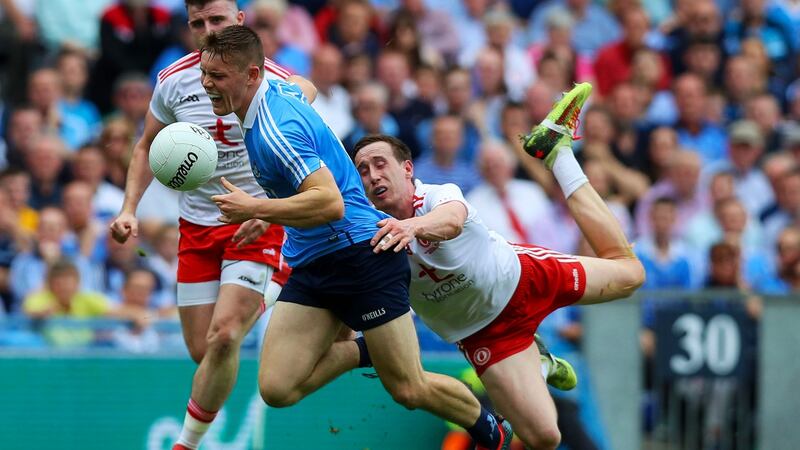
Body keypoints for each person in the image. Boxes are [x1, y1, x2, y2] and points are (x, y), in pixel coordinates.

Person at [202, 25, 514, 450]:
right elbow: (303, 86)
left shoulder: (275, 131)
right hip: (314, 261)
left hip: (362, 255)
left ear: (252, 74)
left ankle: (490, 430)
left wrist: (256, 208)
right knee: (276, 388)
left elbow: (330, 203)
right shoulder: (277, 93)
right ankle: (366, 350)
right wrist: (275, 205)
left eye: (218, 77)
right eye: (205, 73)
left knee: (408, 389)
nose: (206, 84)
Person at [351, 82, 645, 449]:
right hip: (485, 335)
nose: (373, 175)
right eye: (362, 170)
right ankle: (540, 364)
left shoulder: (437, 194)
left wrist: (410, 226)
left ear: (408, 168)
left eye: (380, 164)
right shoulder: (365, 237)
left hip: (525, 279)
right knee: (544, 437)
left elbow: (452, 220)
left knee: (633, 274)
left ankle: (558, 154)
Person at [107, 2, 316, 450]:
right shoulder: (172, 81)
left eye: (217, 20)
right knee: (206, 352)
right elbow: (146, 146)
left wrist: (269, 209)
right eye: (198, 23)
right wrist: (128, 209)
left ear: (240, 21)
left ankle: (186, 445)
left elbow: (306, 90)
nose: (207, 31)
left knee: (225, 335)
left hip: (258, 223)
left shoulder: (265, 76)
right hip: (197, 228)